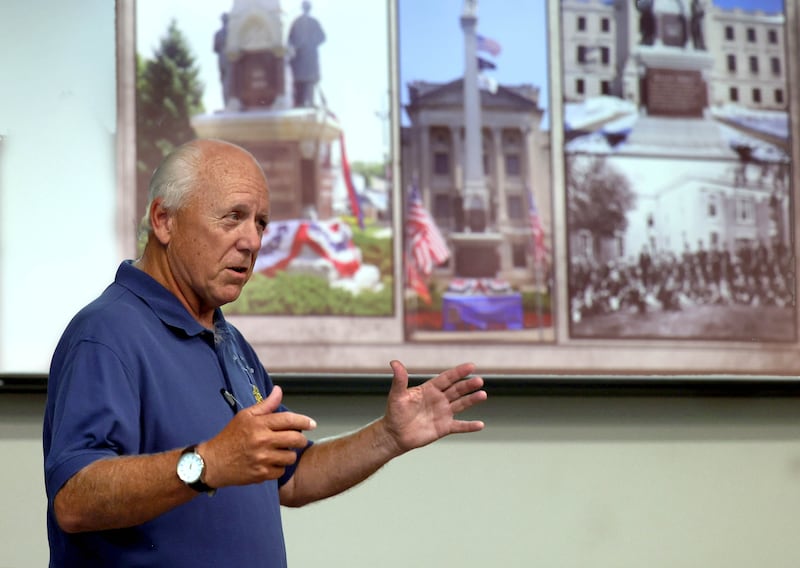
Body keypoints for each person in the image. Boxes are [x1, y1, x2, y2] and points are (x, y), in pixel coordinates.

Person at [42, 138, 487, 567]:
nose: (252, 242)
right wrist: (209, 463)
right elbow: (75, 499)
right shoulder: (105, 334)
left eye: (259, 223)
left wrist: (388, 436)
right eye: (232, 217)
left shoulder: (228, 340)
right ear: (164, 220)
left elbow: (291, 477)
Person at [287, 1, 326, 107]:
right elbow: (322, 38)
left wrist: (303, 45)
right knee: (306, 85)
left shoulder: (298, 22)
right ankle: (306, 104)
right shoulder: (310, 22)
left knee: (305, 85)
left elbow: (322, 38)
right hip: (303, 61)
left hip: (303, 61)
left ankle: (305, 104)